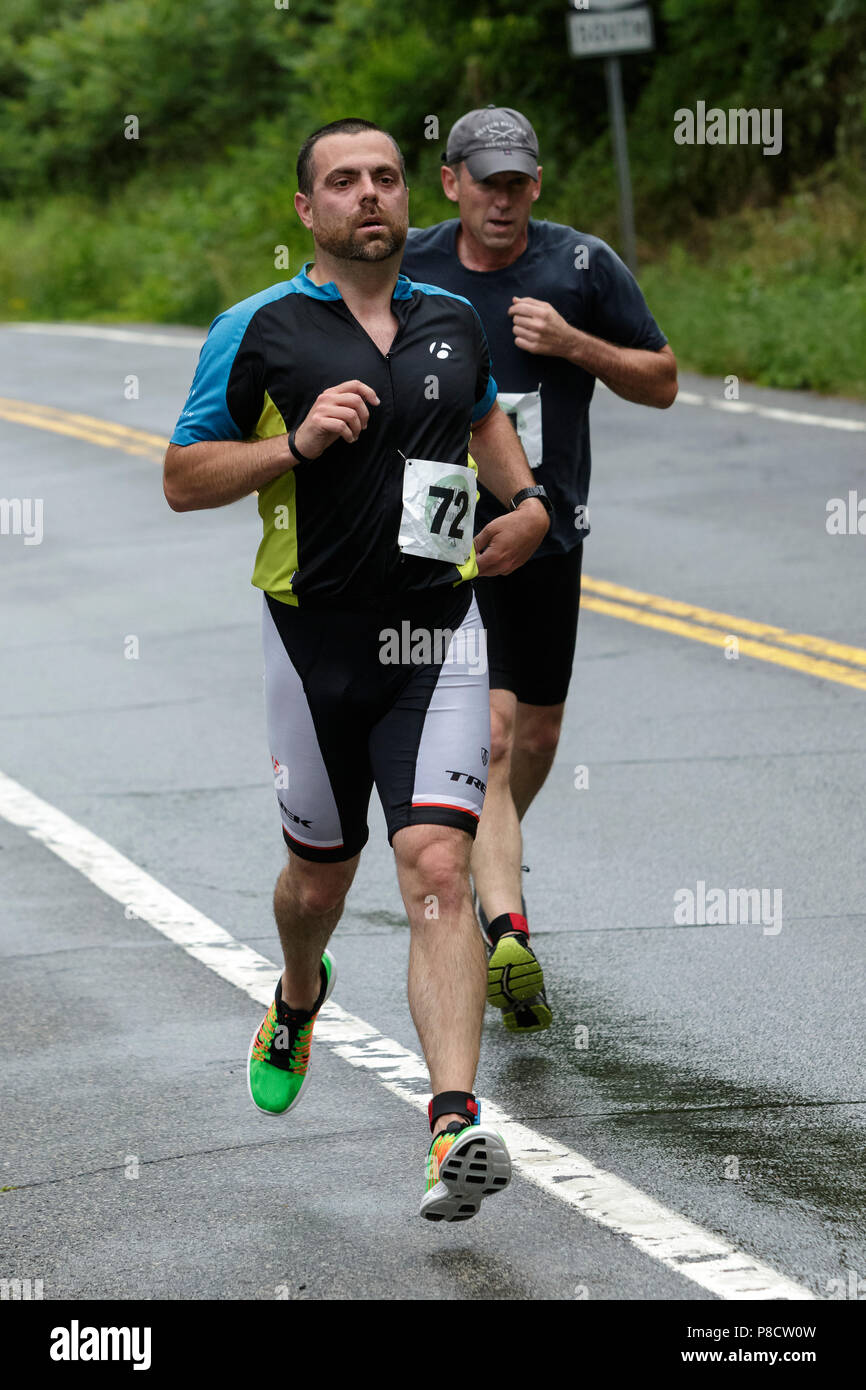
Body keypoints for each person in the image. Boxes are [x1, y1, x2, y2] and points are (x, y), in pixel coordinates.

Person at [163, 118, 550, 1222]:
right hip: (311, 642)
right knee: (315, 887)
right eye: (343, 182)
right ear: (307, 212)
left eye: (384, 177)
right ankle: (297, 992)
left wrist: (523, 506)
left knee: (435, 865)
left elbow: (481, 421)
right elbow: (184, 477)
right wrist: (293, 446)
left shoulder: (452, 318)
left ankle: (451, 1125)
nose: (368, 195)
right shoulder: (259, 329)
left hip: (436, 634)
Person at [400, 106, 677, 1034]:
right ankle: (503, 923)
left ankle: (484, 857)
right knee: (490, 732)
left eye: (519, 183)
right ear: (452, 183)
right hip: (443, 541)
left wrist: (574, 346)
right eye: (487, 182)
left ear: (537, 185)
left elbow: (664, 378)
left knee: (537, 740)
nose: (503, 200)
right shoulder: (413, 266)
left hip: (549, 535)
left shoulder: (582, 267)